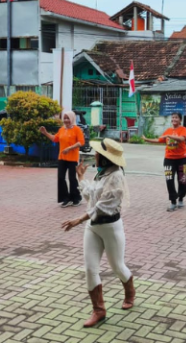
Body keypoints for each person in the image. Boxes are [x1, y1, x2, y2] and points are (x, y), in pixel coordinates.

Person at [61, 139, 135, 328]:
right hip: (93, 227)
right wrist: (80, 179)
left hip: (110, 228)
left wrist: (80, 219)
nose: (94, 155)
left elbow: (104, 206)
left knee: (117, 266)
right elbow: (91, 197)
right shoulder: (101, 174)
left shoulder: (116, 176)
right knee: (90, 268)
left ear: (105, 157)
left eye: (96, 153)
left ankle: (129, 292)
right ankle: (99, 310)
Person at [143, 112, 186, 212]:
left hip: (182, 159)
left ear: (180, 120)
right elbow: (159, 140)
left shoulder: (183, 129)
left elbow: (181, 139)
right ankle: (173, 201)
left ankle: (181, 198)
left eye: (176, 118)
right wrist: (147, 139)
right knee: (169, 180)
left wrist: (170, 136)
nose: (174, 119)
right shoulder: (168, 130)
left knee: (182, 180)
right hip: (169, 159)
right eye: (172, 117)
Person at [40, 111, 85, 207]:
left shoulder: (77, 129)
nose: (66, 120)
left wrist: (70, 148)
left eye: (68, 118)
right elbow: (54, 139)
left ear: (72, 119)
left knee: (72, 178)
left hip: (72, 158)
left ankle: (76, 198)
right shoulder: (61, 130)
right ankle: (66, 198)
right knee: (61, 177)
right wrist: (45, 133)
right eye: (64, 118)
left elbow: (81, 142)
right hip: (62, 157)